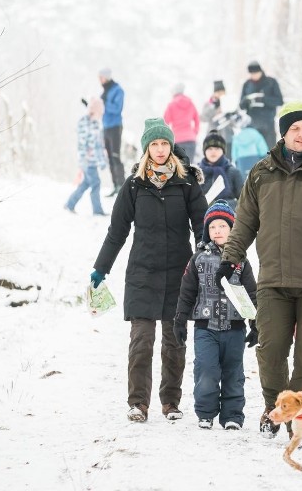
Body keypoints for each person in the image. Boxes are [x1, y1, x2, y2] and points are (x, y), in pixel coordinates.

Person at [217, 101, 302, 439]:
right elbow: (245, 220)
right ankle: (273, 409)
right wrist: (231, 256)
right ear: (284, 133)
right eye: (295, 128)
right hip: (273, 280)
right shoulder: (262, 172)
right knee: (270, 350)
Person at [91, 118, 208, 422]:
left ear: (171, 147)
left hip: (178, 274)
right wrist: (100, 269)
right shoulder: (133, 186)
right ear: (146, 148)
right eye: (154, 144)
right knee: (141, 340)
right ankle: (138, 403)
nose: (159, 149)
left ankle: (171, 403)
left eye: (164, 144)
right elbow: (117, 232)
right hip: (142, 272)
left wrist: (203, 260)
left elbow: (203, 228)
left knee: (174, 341)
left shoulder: (186, 184)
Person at [173, 200, 258, 430]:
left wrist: (255, 323)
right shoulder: (198, 259)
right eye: (212, 227)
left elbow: (252, 293)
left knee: (233, 372)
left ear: (232, 229)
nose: (217, 231)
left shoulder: (241, 261)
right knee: (206, 370)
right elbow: (187, 291)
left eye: (222, 226)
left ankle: (232, 415)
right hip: (205, 327)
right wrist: (180, 319)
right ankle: (206, 412)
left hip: (235, 328)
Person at [64, 97, 107, 216]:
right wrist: (83, 160)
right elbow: (82, 144)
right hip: (88, 161)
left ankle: (69, 204)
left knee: (85, 184)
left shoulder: (95, 124)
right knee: (96, 183)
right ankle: (97, 210)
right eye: (100, 114)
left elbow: (98, 146)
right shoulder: (86, 123)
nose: (100, 116)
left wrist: (102, 161)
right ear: (95, 112)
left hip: (92, 161)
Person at [239, 60, 283, 147]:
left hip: (268, 125)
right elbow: (241, 105)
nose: (254, 75)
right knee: (254, 157)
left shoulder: (271, 82)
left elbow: (279, 101)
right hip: (252, 125)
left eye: (256, 73)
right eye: (252, 74)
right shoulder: (247, 84)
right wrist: (246, 101)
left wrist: (263, 99)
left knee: (270, 154)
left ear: (260, 71)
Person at [199, 130, 244, 208]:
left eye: (217, 148)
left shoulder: (233, 172)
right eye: (209, 149)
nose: (213, 152)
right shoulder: (196, 174)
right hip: (203, 217)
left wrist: (225, 206)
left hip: (230, 216)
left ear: (223, 151)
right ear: (204, 151)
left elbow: (244, 201)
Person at [98, 67, 126, 197]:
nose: (99, 80)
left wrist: (104, 103)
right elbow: (101, 109)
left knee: (115, 156)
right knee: (109, 157)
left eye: (101, 77)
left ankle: (122, 186)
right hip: (106, 127)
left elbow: (117, 108)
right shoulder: (105, 91)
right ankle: (115, 185)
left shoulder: (117, 90)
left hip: (115, 127)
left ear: (107, 77)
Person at [164, 83, 200, 161]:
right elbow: (197, 119)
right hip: (190, 139)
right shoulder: (190, 103)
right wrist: (194, 132)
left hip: (177, 140)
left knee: (178, 169)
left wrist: (169, 137)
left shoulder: (171, 105)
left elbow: (165, 123)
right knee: (189, 168)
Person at [230, 113, 269, 179]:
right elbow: (263, 150)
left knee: (244, 181)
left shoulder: (237, 136)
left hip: (241, 161)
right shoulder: (255, 133)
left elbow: (234, 154)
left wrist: (235, 161)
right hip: (254, 158)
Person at [201, 80, 235, 146]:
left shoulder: (230, 103)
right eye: (218, 92)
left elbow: (235, 120)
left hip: (228, 138)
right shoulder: (209, 104)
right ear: (214, 93)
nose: (220, 94)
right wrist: (215, 109)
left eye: (222, 92)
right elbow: (203, 118)